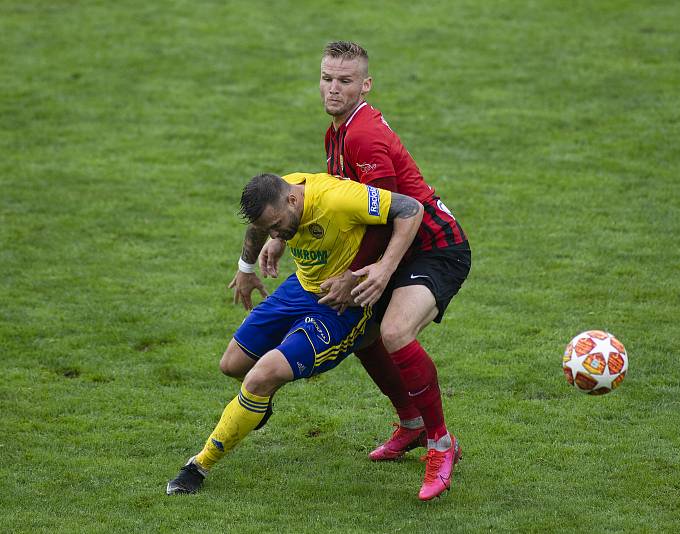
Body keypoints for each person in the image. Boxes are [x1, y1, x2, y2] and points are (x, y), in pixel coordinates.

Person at [262, 41, 471, 501]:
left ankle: (441, 443)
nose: (333, 89)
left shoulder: (363, 137)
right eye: (326, 78)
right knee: (363, 332)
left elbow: (398, 213)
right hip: (398, 245)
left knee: (394, 331)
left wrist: (364, 273)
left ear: (365, 85)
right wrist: (280, 235)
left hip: (435, 247)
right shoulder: (337, 131)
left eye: (345, 81)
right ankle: (412, 423)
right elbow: (332, 198)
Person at [166, 171, 422, 495]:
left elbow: (410, 208)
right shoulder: (282, 196)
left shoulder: (337, 199)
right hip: (300, 288)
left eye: (277, 225)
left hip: (341, 308)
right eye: (269, 229)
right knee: (231, 365)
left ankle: (198, 466)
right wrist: (245, 269)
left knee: (260, 377)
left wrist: (381, 271)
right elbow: (260, 226)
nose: (275, 234)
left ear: (292, 198)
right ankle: (261, 400)